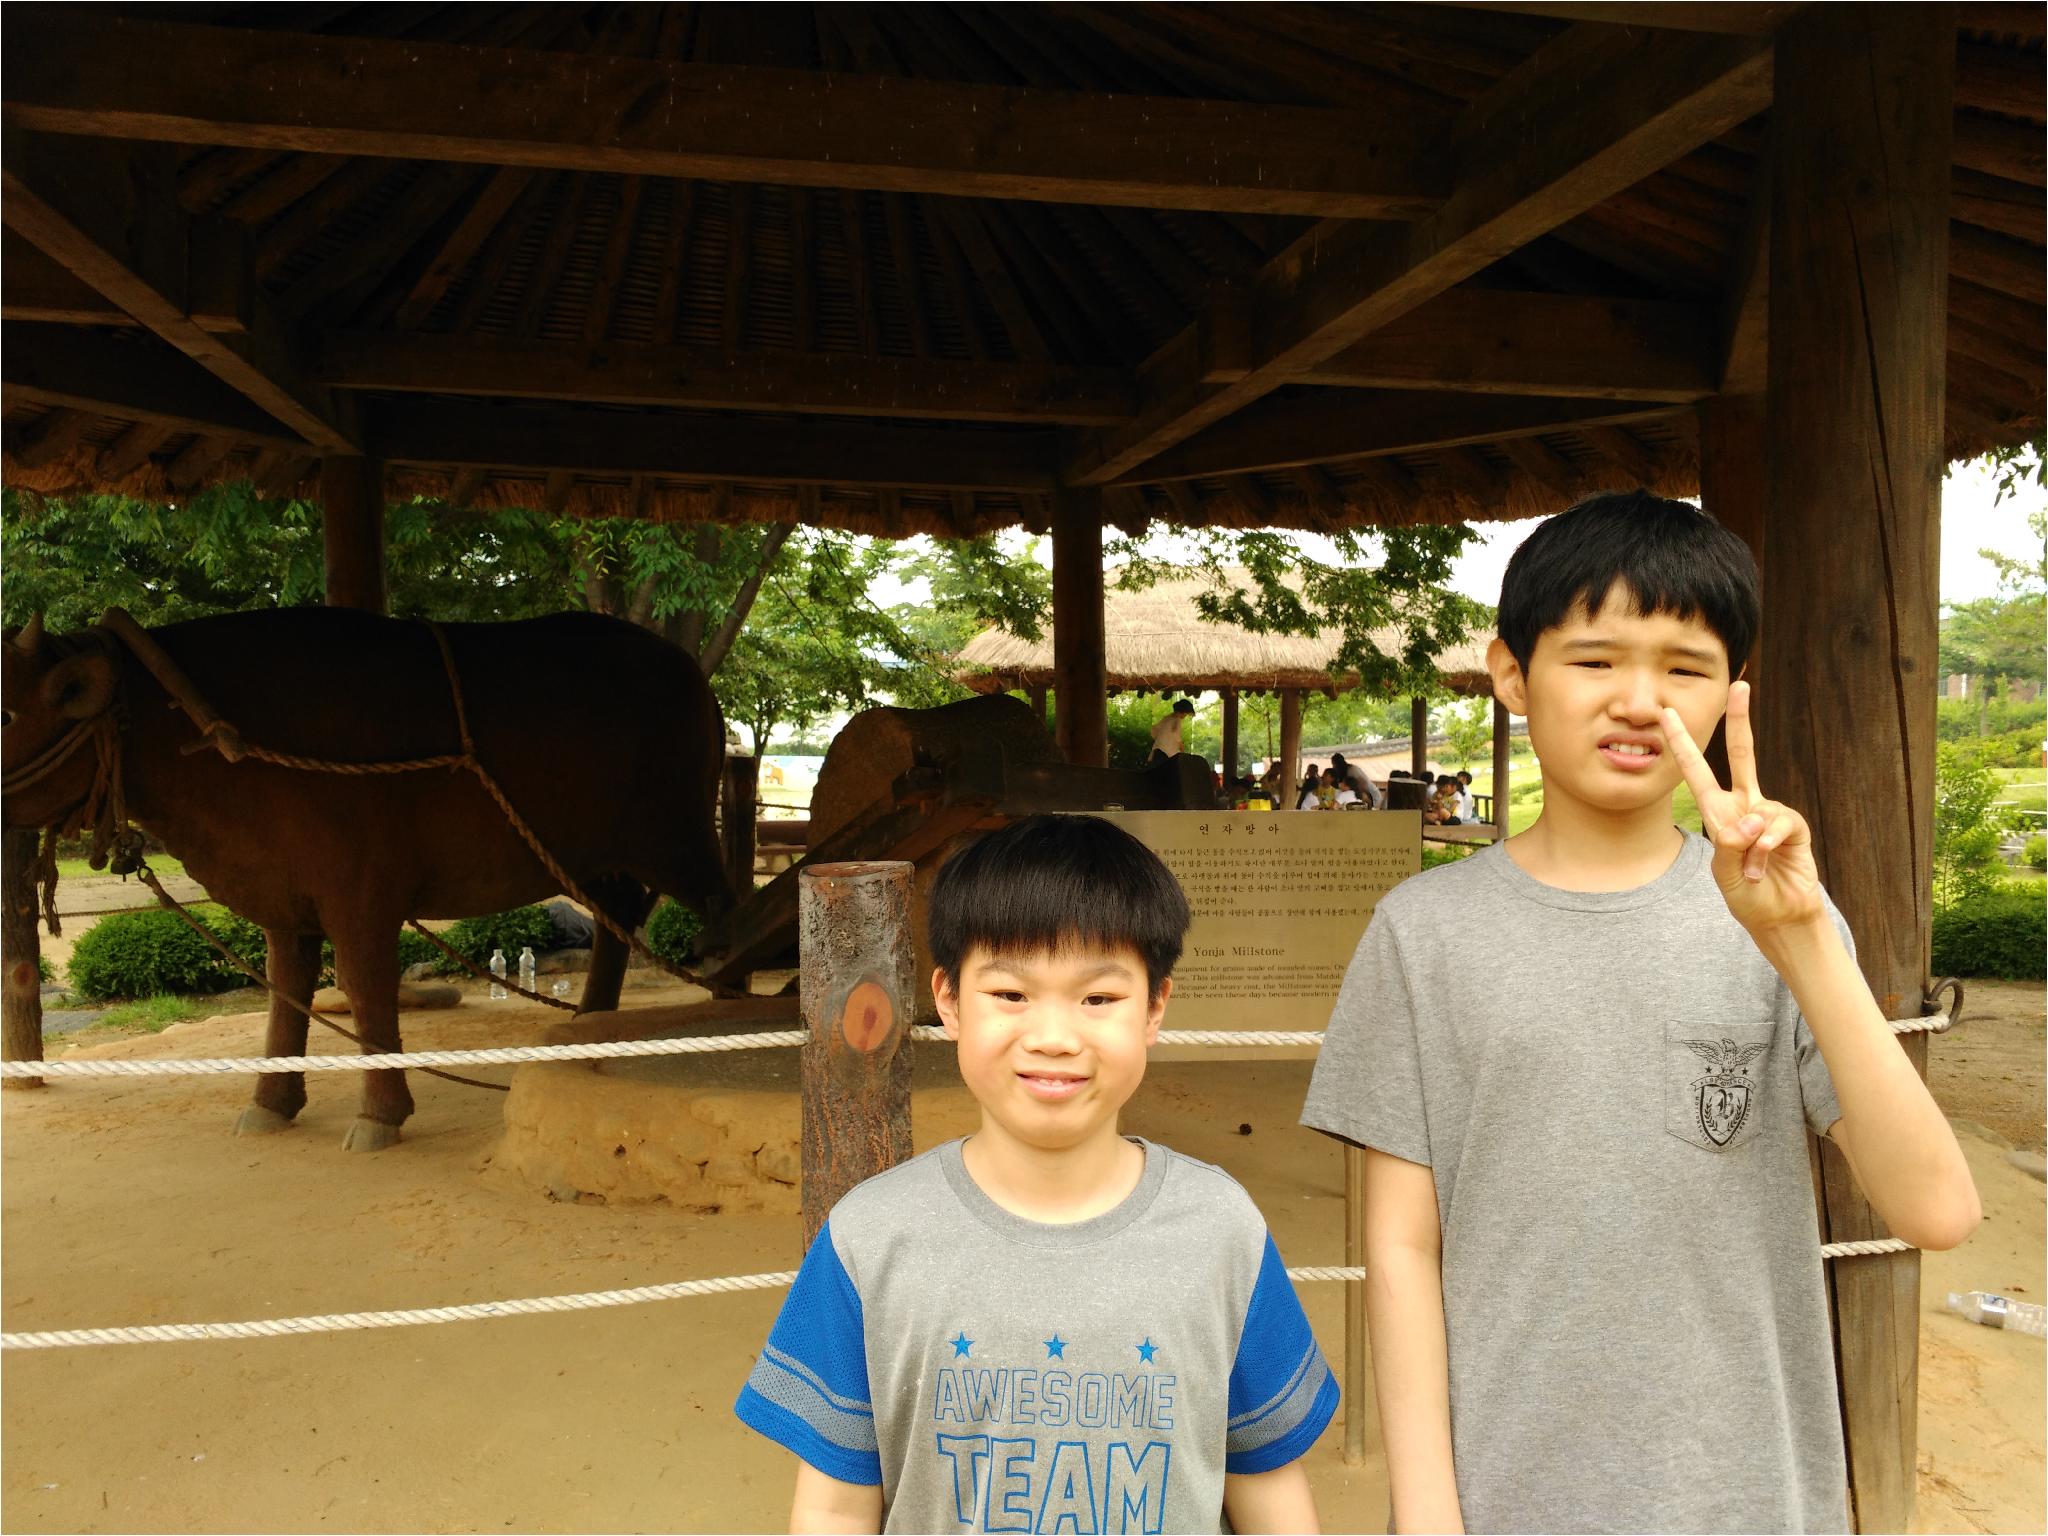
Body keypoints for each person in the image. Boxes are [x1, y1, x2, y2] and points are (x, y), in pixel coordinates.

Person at [1300, 490, 1980, 1534]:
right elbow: (1399, 1249)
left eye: (1682, 667)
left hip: (1747, 1495)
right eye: (1593, 659)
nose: (1636, 700)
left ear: (1729, 694)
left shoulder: (1781, 919)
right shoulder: (1421, 932)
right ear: (1510, 676)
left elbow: (1932, 1211)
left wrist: (1798, 940)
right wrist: (1425, 1513)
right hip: (1506, 1490)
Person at [738, 814, 1336, 1533]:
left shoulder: (1220, 1229)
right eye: (1012, 995)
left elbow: (1268, 1491)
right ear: (950, 1001)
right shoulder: (870, 1239)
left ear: (1155, 1008)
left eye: (1099, 999)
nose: (1054, 1038)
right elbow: (835, 1508)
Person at [1149, 697, 1196, 766]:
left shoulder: (1166, 718)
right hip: (1167, 757)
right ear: (1183, 712)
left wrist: (1161, 742)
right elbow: (1178, 740)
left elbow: (1153, 731)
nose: (1185, 716)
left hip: (1156, 753)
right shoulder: (1177, 721)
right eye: (1186, 714)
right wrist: (1184, 755)